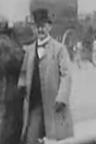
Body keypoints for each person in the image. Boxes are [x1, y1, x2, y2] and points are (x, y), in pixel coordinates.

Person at [18, 9, 74, 143]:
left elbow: (66, 75)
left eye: (43, 26)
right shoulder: (30, 51)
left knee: (53, 137)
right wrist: (21, 85)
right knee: (31, 137)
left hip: (53, 103)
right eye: (37, 26)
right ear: (34, 29)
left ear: (49, 27)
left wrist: (62, 97)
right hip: (35, 103)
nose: (40, 29)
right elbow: (24, 72)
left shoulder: (59, 49)